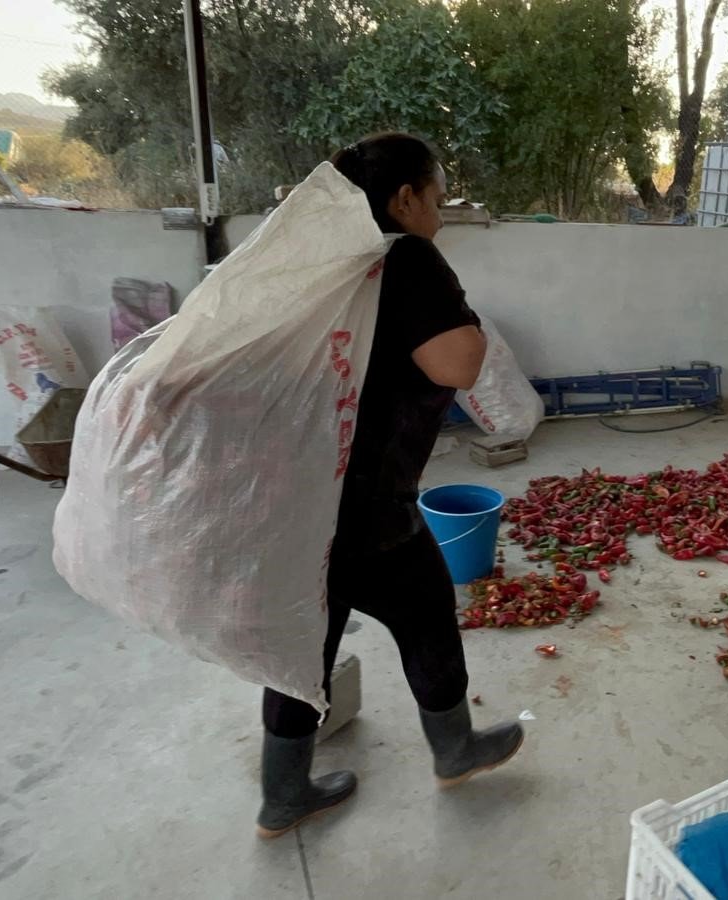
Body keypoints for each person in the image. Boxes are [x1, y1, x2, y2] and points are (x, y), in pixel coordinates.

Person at [256, 133, 524, 839]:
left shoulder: (324, 262)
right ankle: (457, 749)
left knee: (304, 651)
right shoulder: (403, 256)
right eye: (436, 197)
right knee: (428, 613)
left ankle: (282, 797)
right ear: (404, 198)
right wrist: (459, 309)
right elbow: (457, 364)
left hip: (297, 498)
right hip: (366, 503)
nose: (439, 211)